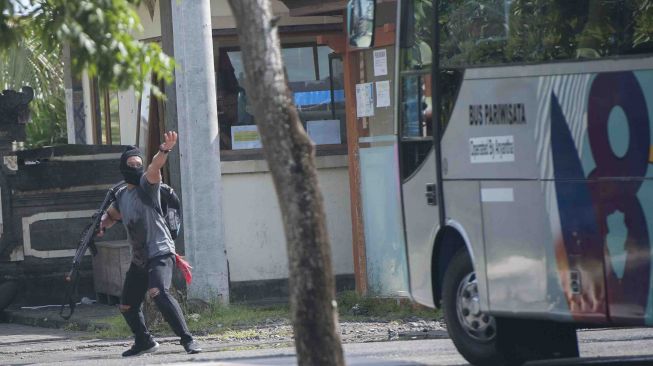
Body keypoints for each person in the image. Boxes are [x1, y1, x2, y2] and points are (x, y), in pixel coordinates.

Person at [98, 131, 201, 357]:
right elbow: (112, 215)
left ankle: (188, 340)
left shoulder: (148, 184)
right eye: (131, 164)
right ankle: (144, 341)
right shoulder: (122, 195)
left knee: (158, 292)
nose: (136, 168)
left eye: (139, 163)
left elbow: (155, 167)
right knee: (127, 306)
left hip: (160, 250)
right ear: (123, 168)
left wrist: (164, 150)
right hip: (140, 258)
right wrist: (104, 223)